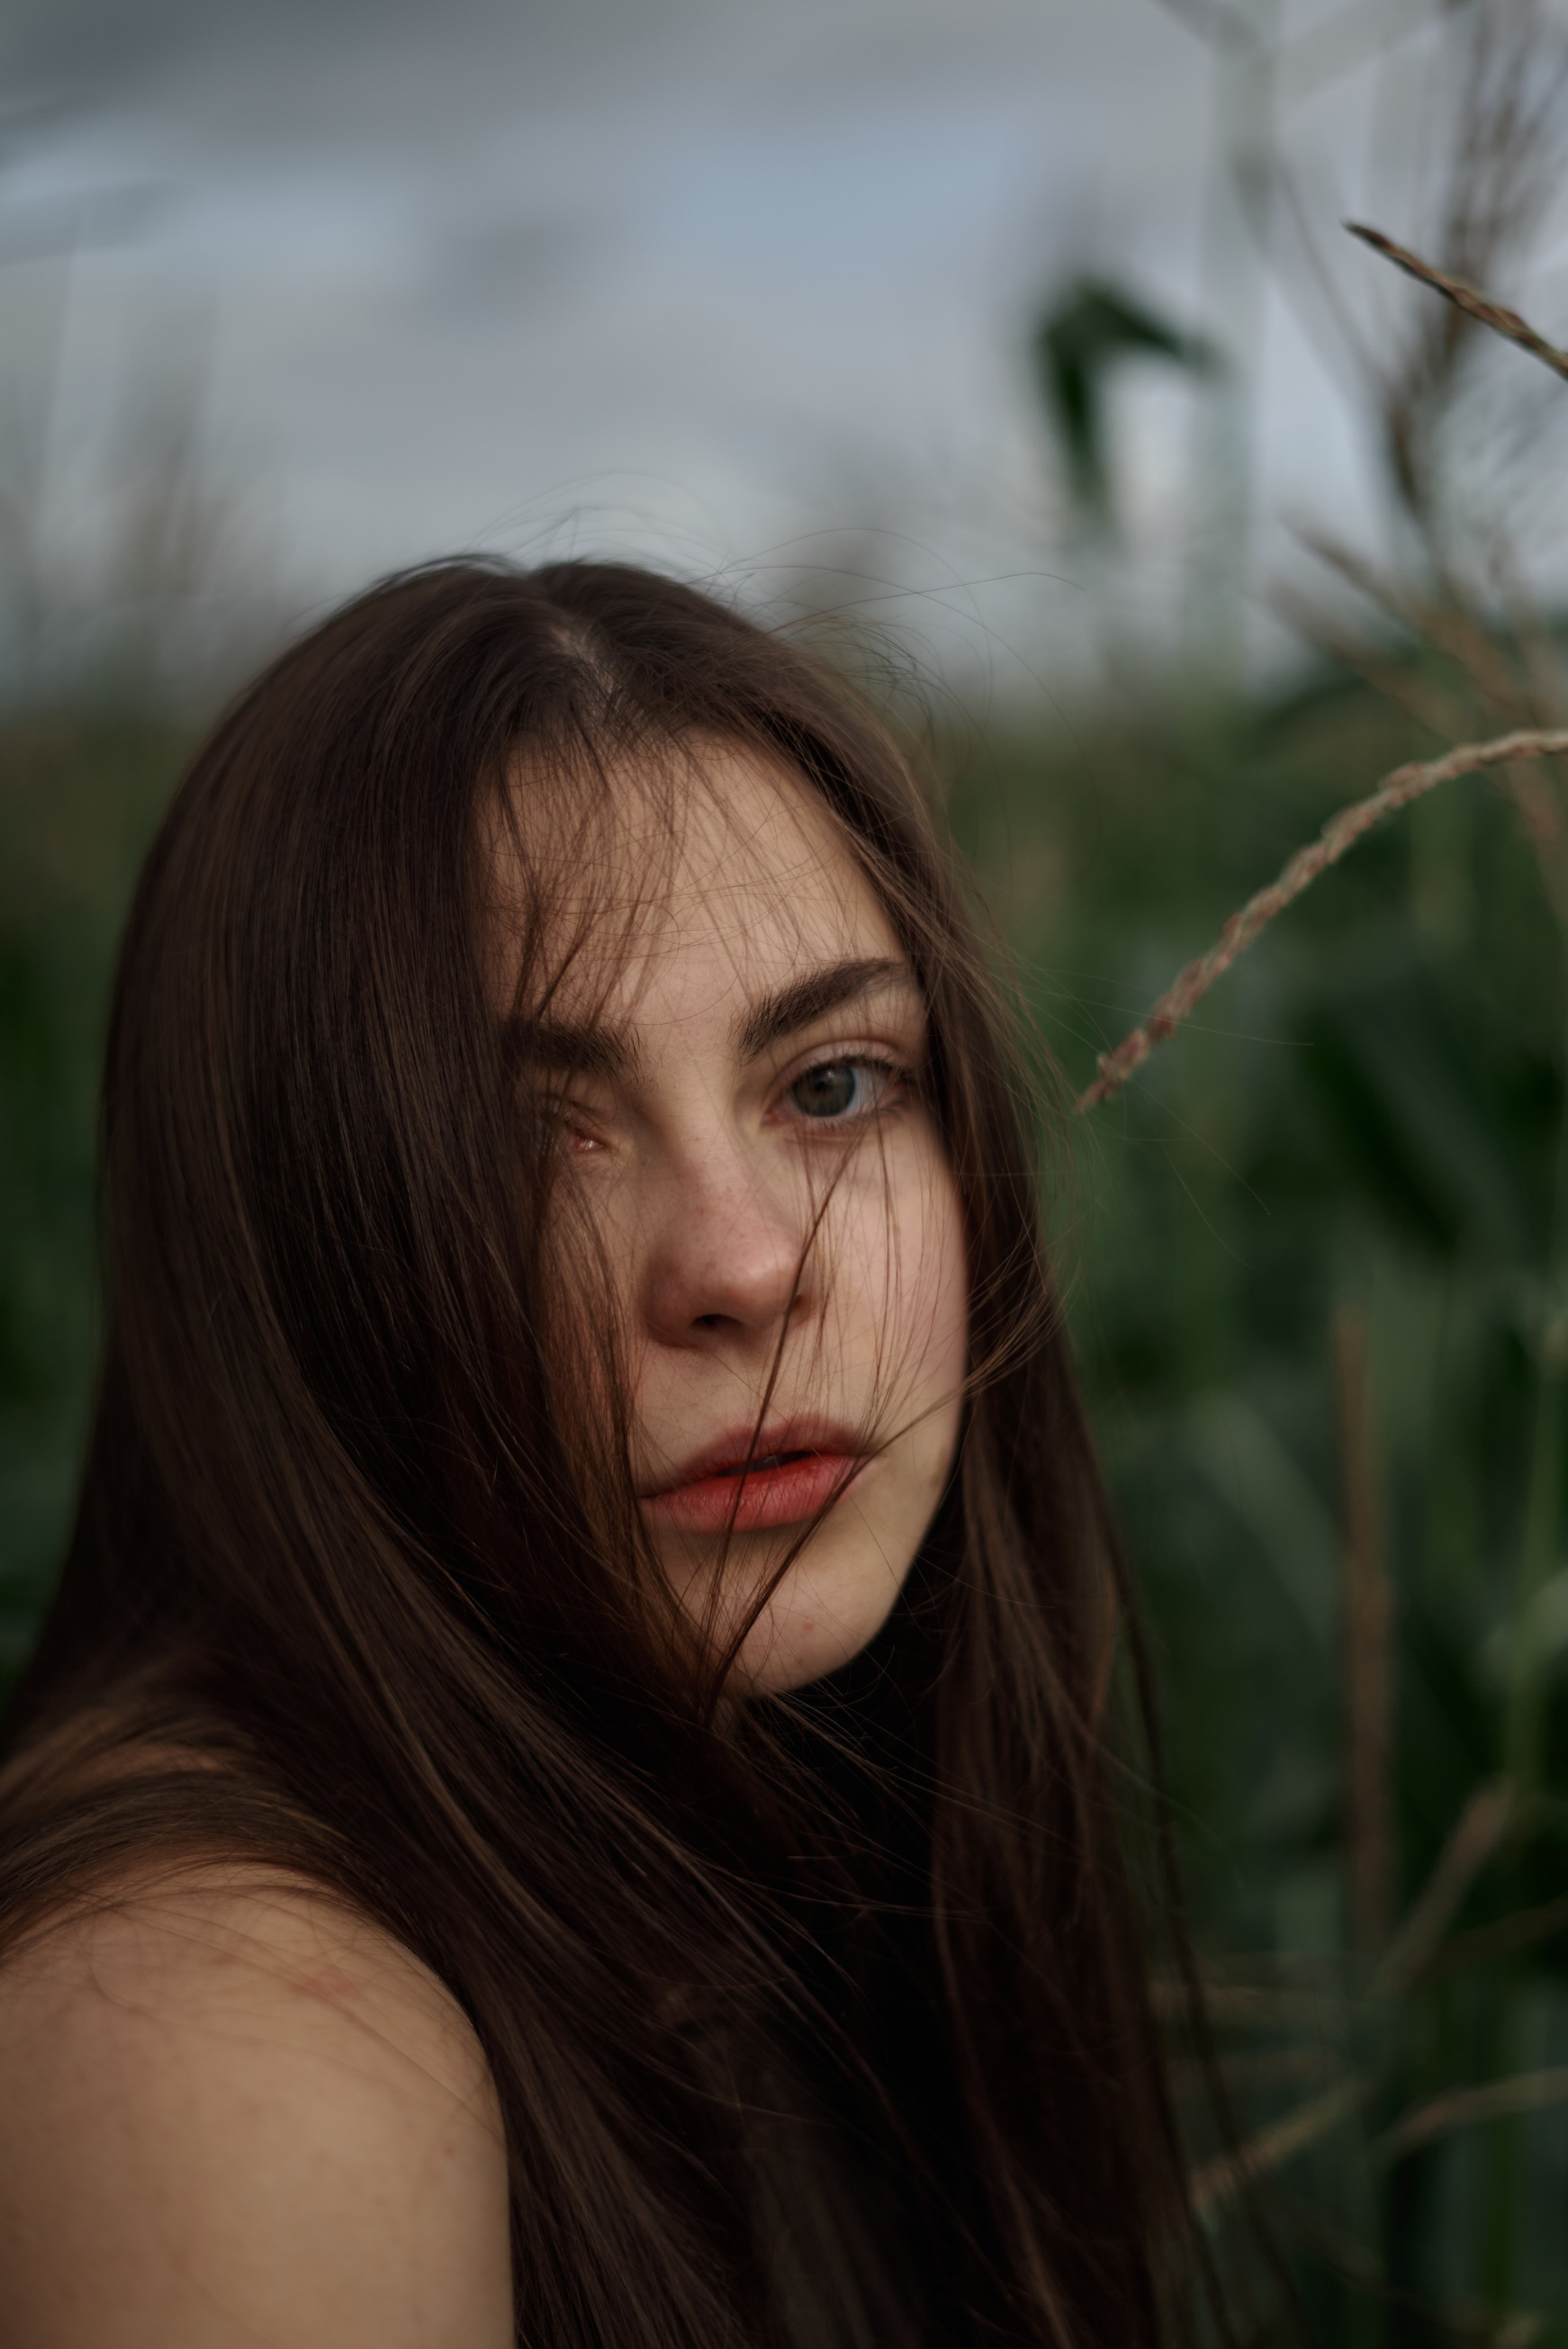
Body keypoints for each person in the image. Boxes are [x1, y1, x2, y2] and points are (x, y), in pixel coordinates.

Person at [0, 560, 1215, 2347]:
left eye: (830, 1084)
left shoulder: (773, 1861)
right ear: (283, 1251)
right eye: (527, 1138)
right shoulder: (226, 2032)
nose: (742, 1265)